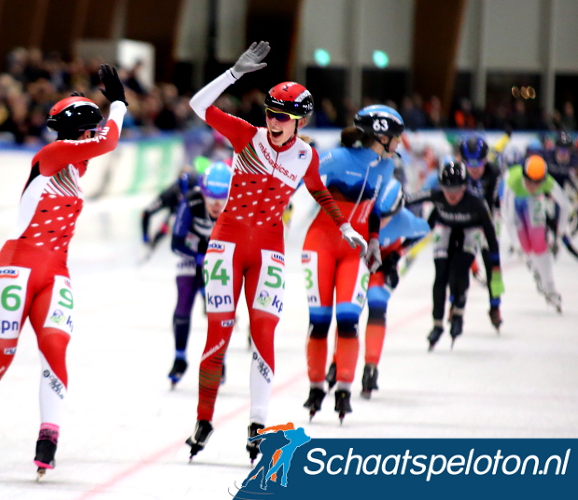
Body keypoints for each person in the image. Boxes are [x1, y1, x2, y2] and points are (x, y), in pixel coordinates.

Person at [184, 41, 365, 460]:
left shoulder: (306, 156)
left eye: (282, 117)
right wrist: (234, 73)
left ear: (300, 122)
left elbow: (320, 192)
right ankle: (204, 418)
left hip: (268, 248)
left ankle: (257, 423)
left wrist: (344, 226)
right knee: (219, 334)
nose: (273, 121)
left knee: (263, 333)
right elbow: (198, 105)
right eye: (269, 113)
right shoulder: (246, 135)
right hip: (226, 243)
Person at [0, 64, 127, 479]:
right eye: (89, 130)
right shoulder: (52, 155)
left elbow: (101, 143)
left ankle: (48, 437)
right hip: (15, 266)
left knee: (55, 349)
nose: (93, 136)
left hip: (54, 271)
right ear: (79, 133)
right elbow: (110, 141)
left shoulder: (76, 169)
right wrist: (118, 103)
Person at [301, 104, 404, 423]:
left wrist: (374, 239)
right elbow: (301, 181)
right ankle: (316, 386)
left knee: (347, 320)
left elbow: (373, 207)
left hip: (356, 250)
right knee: (319, 320)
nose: (400, 145)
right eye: (396, 138)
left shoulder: (387, 166)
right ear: (381, 136)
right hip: (321, 244)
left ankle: (344, 385)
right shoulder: (338, 158)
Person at [406, 159, 504, 351]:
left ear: (465, 186)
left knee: (459, 268)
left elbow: (490, 234)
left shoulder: (476, 202)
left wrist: (495, 262)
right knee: (441, 274)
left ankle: (458, 310)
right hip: (445, 228)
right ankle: (437, 324)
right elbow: (409, 199)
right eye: (447, 189)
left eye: (457, 189)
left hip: (471, 230)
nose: (451, 194)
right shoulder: (437, 195)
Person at [357, 179, 429, 399]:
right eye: (379, 216)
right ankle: (336, 361)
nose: (382, 221)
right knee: (349, 312)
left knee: (378, 306)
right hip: (358, 263)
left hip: (381, 264)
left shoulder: (405, 220)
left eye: (388, 216)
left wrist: (398, 254)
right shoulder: (360, 215)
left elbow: (424, 230)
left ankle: (371, 367)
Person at [168, 161, 231, 386]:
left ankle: (218, 360)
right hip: (193, 254)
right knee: (183, 306)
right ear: (202, 192)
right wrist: (197, 258)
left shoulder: (234, 205)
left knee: (216, 312)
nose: (216, 204)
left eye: (222, 198)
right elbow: (175, 244)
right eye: (211, 197)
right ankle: (180, 358)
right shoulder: (192, 201)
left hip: (216, 258)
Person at [501, 155, 573, 313]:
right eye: (529, 182)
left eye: (537, 182)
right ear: (524, 177)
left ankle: (550, 287)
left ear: (543, 180)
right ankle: (535, 270)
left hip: (534, 201)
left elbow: (566, 205)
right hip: (515, 201)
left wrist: (560, 231)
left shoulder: (547, 182)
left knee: (539, 244)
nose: (533, 186)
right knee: (526, 248)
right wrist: (515, 244)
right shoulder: (513, 182)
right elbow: (508, 216)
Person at [458, 135, 504, 330]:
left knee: (494, 266)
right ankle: (455, 303)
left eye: (478, 163)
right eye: (469, 163)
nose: (474, 168)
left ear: (486, 160)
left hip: (489, 222)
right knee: (458, 262)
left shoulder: (494, 173)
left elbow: (496, 203)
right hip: (466, 220)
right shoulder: (459, 173)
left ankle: (495, 307)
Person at [140, 156, 209, 258]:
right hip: (180, 222)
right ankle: (150, 251)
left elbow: (146, 212)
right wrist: (146, 238)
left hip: (192, 223)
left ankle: (150, 250)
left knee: (170, 222)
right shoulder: (171, 192)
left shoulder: (197, 188)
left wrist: (145, 237)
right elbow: (146, 212)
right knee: (170, 222)